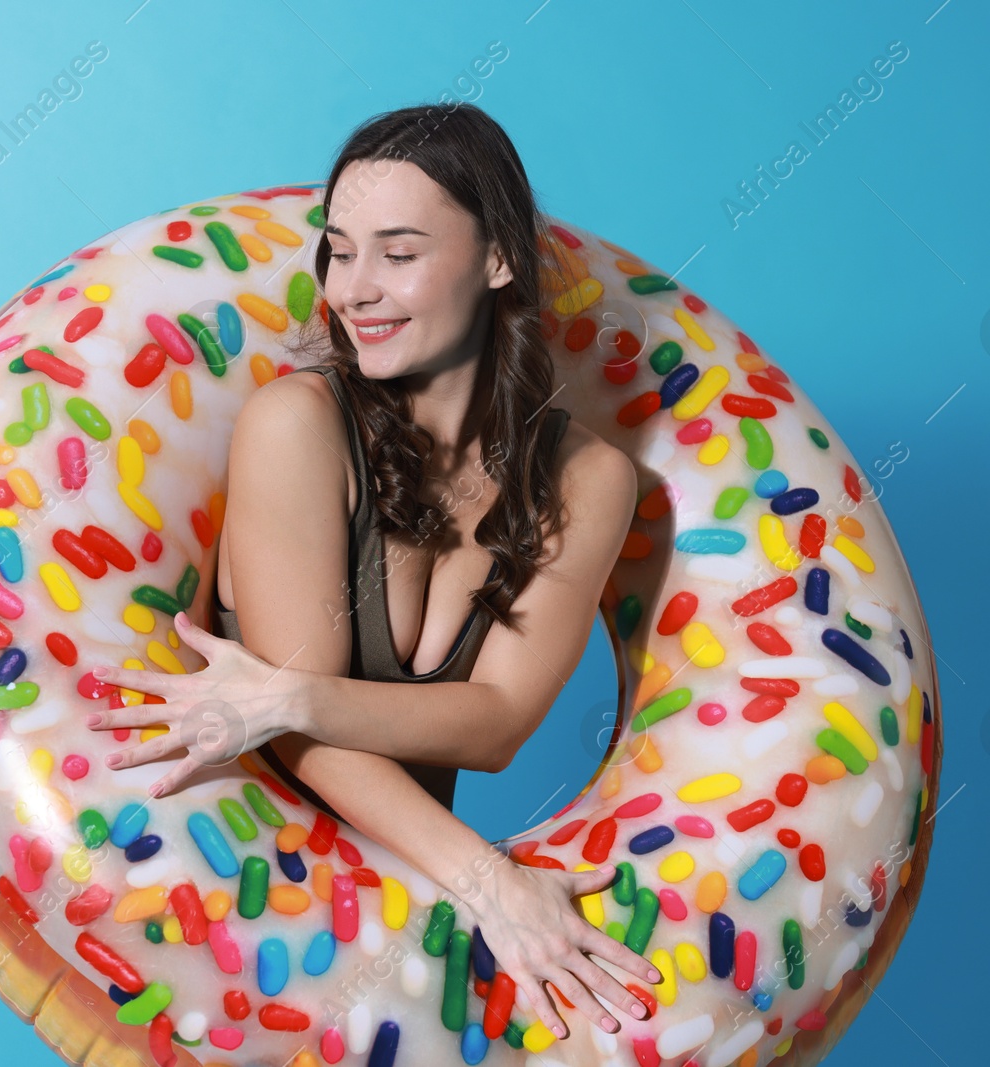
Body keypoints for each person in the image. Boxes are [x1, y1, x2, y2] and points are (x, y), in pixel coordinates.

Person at [85, 102, 657, 1040]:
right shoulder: (296, 426)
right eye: (339, 250)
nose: (354, 289)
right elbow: (296, 736)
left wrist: (293, 697)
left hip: (409, 947)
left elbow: (495, 723)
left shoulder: (588, 479)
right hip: (230, 917)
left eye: (399, 252)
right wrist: (493, 882)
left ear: (498, 258)